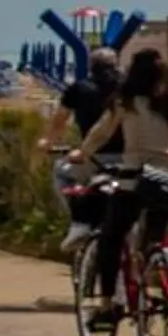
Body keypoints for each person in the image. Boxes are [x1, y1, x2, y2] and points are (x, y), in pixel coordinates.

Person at [67, 46, 168, 327]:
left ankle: (107, 305)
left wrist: (82, 153)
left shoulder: (126, 102)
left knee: (111, 236)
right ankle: (154, 282)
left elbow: (101, 132)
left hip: (138, 180)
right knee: (152, 239)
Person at [41, 48, 122, 248]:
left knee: (62, 172)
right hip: (131, 157)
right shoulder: (128, 90)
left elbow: (60, 119)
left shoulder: (79, 88)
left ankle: (79, 222)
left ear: (91, 67)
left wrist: (48, 142)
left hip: (95, 158)